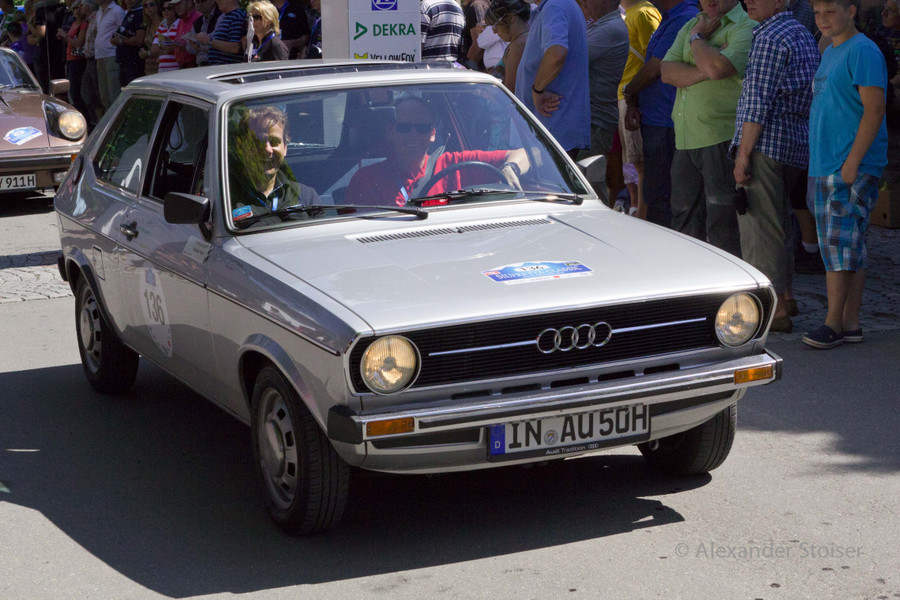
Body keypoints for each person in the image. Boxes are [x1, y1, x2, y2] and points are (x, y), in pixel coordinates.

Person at [801, 0, 889, 348]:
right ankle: (849, 322)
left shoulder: (862, 50)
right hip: (829, 162)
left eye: (830, 11)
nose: (821, 19)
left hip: (847, 164)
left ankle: (833, 323)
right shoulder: (831, 51)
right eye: (817, 12)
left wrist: (853, 162)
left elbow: (875, 109)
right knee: (850, 245)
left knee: (838, 245)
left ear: (851, 11)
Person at [729, 0, 819, 333]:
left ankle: (773, 310)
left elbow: (757, 101)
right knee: (780, 224)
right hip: (794, 143)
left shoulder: (770, 36)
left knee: (761, 230)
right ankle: (787, 297)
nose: (748, 1)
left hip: (767, 144)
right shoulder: (800, 31)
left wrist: (743, 155)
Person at [660, 0, 754, 257]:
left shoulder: (746, 26)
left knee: (722, 223)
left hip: (720, 136)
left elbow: (719, 68)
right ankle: (687, 276)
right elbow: (666, 72)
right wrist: (706, 64)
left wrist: (697, 40)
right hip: (685, 137)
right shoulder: (693, 23)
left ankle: (727, 280)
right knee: (684, 221)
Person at [345, 95, 530, 207]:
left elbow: (530, 153)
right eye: (404, 127)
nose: (413, 134)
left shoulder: (455, 165)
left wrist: (511, 168)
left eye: (422, 128)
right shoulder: (366, 180)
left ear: (433, 134)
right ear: (390, 131)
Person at [622, 0, 698, 226]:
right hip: (657, 118)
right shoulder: (669, 17)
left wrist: (629, 91)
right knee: (657, 194)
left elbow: (654, 69)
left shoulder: (684, 18)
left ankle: (665, 245)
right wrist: (633, 100)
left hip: (667, 122)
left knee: (663, 198)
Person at [514, 0, 590, 159]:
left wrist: (537, 90)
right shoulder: (558, 5)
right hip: (553, 125)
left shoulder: (554, 6)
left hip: (553, 125)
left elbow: (556, 53)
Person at [230, 106, 321, 226]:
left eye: (274, 142)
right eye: (258, 142)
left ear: (285, 148)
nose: (267, 149)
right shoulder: (226, 200)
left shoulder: (307, 197)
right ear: (241, 147)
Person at [575, 0, 628, 199]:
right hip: (590, 121)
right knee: (584, 183)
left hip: (596, 122)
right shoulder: (600, 25)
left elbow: (568, 57)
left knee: (589, 185)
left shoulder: (610, 29)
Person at [617, 0, 660, 218]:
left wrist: (634, 95)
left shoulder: (644, 13)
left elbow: (655, 60)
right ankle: (637, 209)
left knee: (641, 163)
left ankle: (643, 216)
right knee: (633, 162)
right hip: (625, 97)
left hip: (636, 99)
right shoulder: (631, 13)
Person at [485, 0, 530, 91]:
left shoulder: (519, 45)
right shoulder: (518, 42)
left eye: (495, 25)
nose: (494, 31)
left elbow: (510, 90)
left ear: (511, 17)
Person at [94, 0, 124, 111]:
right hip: (99, 56)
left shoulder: (117, 11)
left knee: (114, 95)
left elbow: (123, 32)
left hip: (112, 56)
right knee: (104, 97)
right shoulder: (99, 12)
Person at [32, 0, 68, 93]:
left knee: (46, 82)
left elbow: (41, 32)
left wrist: (30, 27)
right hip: (62, 48)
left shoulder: (41, 10)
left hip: (46, 52)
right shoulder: (64, 9)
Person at [195, 0, 246, 65]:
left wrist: (208, 40)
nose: (217, 1)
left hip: (227, 69)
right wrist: (200, 46)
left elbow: (234, 47)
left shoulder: (237, 16)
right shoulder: (226, 17)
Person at [112, 0, 145, 87]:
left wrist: (120, 41)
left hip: (133, 63)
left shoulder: (140, 13)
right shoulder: (128, 13)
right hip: (123, 62)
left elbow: (139, 39)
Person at [64, 1, 88, 116]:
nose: (77, 11)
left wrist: (65, 36)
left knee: (76, 92)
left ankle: (85, 117)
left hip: (78, 61)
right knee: (72, 91)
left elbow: (78, 44)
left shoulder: (84, 24)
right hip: (69, 59)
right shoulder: (74, 23)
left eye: (79, 8)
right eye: (75, 8)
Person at [186, 0, 219, 66]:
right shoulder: (197, 22)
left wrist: (200, 44)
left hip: (217, 64)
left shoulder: (221, 17)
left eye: (203, 1)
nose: (200, 4)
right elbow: (189, 47)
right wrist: (197, 45)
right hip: (201, 65)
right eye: (197, 1)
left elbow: (219, 41)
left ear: (213, 1)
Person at [461, 0, 491, 69]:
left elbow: (479, 44)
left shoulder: (477, 6)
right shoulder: (474, 5)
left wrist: (467, 67)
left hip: (477, 68)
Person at [171, 0, 200, 68]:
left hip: (194, 66)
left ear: (189, 2)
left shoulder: (198, 18)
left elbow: (201, 45)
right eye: (175, 5)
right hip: (182, 66)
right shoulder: (181, 21)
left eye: (179, 4)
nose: (177, 7)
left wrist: (185, 46)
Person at [151, 1, 178, 71]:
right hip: (162, 69)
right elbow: (153, 50)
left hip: (177, 69)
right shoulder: (161, 28)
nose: (166, 11)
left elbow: (180, 47)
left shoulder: (180, 24)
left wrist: (163, 48)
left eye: (169, 8)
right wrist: (168, 50)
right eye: (163, 9)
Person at [138, 0, 162, 75]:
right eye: (145, 6)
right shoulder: (148, 25)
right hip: (149, 68)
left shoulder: (164, 23)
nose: (149, 7)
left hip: (161, 66)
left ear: (157, 6)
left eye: (151, 4)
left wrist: (147, 53)